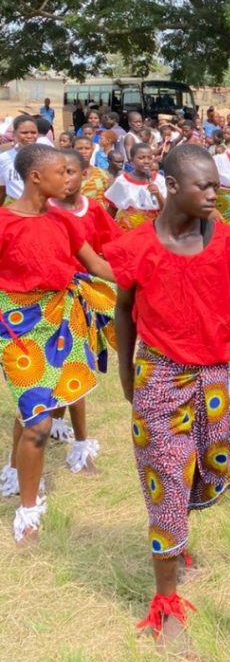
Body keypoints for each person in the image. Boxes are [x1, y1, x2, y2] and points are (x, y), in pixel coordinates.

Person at [105, 145, 230, 645]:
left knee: (197, 472)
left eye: (217, 184)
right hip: (160, 378)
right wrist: (127, 373)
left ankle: (177, 542)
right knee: (167, 481)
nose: (216, 194)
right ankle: (166, 603)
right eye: (205, 186)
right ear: (171, 186)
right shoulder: (136, 246)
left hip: (215, 378)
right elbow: (124, 308)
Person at [0, 145, 115, 541]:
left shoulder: (63, 221)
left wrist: (151, 279)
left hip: (61, 319)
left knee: (43, 405)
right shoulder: (4, 223)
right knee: (39, 421)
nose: (70, 178)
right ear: (36, 177)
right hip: (17, 329)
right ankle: (28, 512)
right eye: (62, 172)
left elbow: (96, 265)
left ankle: (14, 471)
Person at [42, 149, 122, 473]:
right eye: (59, 172)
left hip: (83, 297)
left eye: (71, 171)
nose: (65, 178)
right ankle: (64, 432)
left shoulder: (93, 209)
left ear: (84, 174)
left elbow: (112, 246)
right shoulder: (43, 211)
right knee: (61, 366)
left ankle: (77, 440)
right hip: (48, 300)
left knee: (77, 364)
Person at [105, 144, 166, 230]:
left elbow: (166, 209)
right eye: (141, 158)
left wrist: (158, 194)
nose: (146, 161)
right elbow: (112, 208)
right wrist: (107, 229)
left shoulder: (159, 180)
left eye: (149, 158)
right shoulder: (122, 181)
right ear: (132, 160)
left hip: (152, 228)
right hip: (128, 229)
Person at [0, 115, 46, 205]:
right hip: (13, 207)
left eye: (33, 132)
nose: (29, 136)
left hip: (40, 207)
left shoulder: (46, 157)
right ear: (14, 134)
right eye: (24, 133)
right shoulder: (4, 158)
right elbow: (2, 188)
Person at [75, 135, 112, 208]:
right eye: (79, 148)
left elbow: (108, 199)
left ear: (92, 150)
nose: (83, 152)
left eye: (87, 148)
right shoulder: (68, 176)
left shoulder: (102, 174)